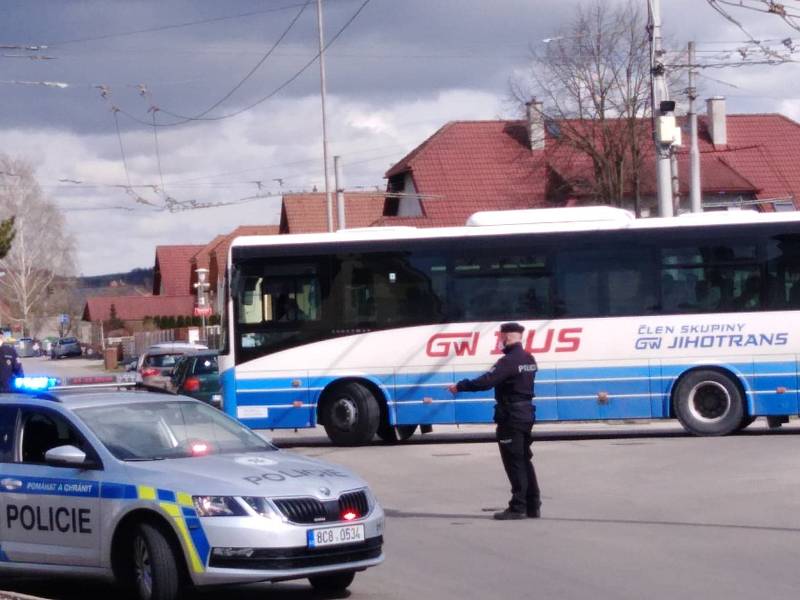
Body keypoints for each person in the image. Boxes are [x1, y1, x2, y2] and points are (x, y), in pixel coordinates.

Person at [447, 322, 540, 520]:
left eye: (500, 337)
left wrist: (461, 386)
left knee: (514, 462)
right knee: (524, 459)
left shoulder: (508, 361)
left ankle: (518, 507)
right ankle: (533, 505)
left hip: (511, 416)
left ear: (506, 337)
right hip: (526, 414)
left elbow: (487, 382)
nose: (499, 341)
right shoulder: (529, 358)